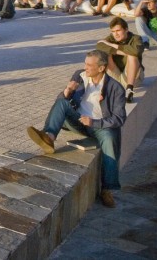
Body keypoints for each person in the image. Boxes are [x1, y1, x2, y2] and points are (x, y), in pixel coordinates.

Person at [26, 49, 126, 208]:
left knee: (110, 140)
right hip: (77, 120)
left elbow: (119, 119)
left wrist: (94, 122)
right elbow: (61, 101)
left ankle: (107, 189)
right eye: (85, 63)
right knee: (61, 103)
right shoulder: (79, 76)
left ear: (101, 68)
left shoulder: (115, 88)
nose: (85, 67)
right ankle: (49, 138)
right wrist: (67, 92)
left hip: (99, 126)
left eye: (89, 65)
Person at [96, 18, 143, 103]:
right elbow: (99, 45)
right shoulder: (111, 38)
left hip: (134, 78)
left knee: (132, 56)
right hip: (117, 75)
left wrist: (113, 45)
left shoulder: (136, 38)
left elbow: (136, 51)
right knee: (104, 54)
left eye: (118, 30)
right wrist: (121, 52)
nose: (115, 34)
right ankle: (100, 85)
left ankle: (129, 91)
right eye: (113, 31)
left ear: (126, 29)